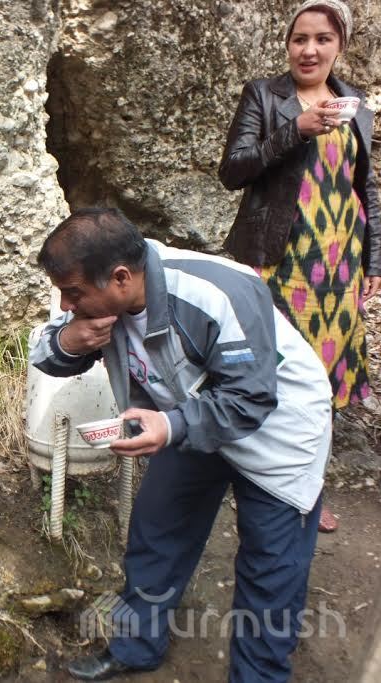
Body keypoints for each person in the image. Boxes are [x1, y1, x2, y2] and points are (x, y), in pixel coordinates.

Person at [31, 208, 332, 682]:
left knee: (270, 569)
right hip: (188, 416)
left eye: (73, 294)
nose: (67, 304)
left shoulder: (217, 291)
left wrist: (170, 427)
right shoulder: (96, 296)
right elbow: (46, 353)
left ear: (121, 277)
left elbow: (251, 398)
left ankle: (258, 676)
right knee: (156, 532)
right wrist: (71, 340)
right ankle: (136, 647)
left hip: (278, 431)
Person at [219, 0, 380, 533]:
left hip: (338, 268)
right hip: (278, 263)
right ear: (287, 44)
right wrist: (296, 129)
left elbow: (365, 188)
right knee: (272, 372)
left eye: (322, 39)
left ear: (341, 46)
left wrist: (374, 258)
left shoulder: (356, 106)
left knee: (322, 383)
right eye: (299, 38)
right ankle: (257, 485)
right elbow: (233, 170)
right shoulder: (265, 96)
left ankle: (308, 488)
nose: (309, 50)